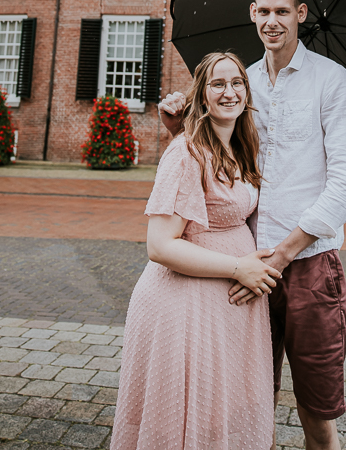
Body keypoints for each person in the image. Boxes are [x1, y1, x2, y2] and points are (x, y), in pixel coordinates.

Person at [160, 0, 346, 450]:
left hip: (310, 265)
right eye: (263, 11)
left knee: (318, 415)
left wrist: (285, 253)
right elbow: (215, 163)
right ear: (253, 14)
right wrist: (178, 128)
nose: (272, 21)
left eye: (282, 11)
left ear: (300, 15)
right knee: (249, 405)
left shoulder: (330, 81)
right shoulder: (240, 83)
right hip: (247, 267)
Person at [111, 51, 280, 450]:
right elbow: (159, 245)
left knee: (215, 419)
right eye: (218, 84)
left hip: (226, 311)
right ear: (201, 96)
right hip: (185, 310)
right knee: (183, 424)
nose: (229, 92)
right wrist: (239, 266)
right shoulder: (185, 152)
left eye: (237, 82)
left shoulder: (240, 148)